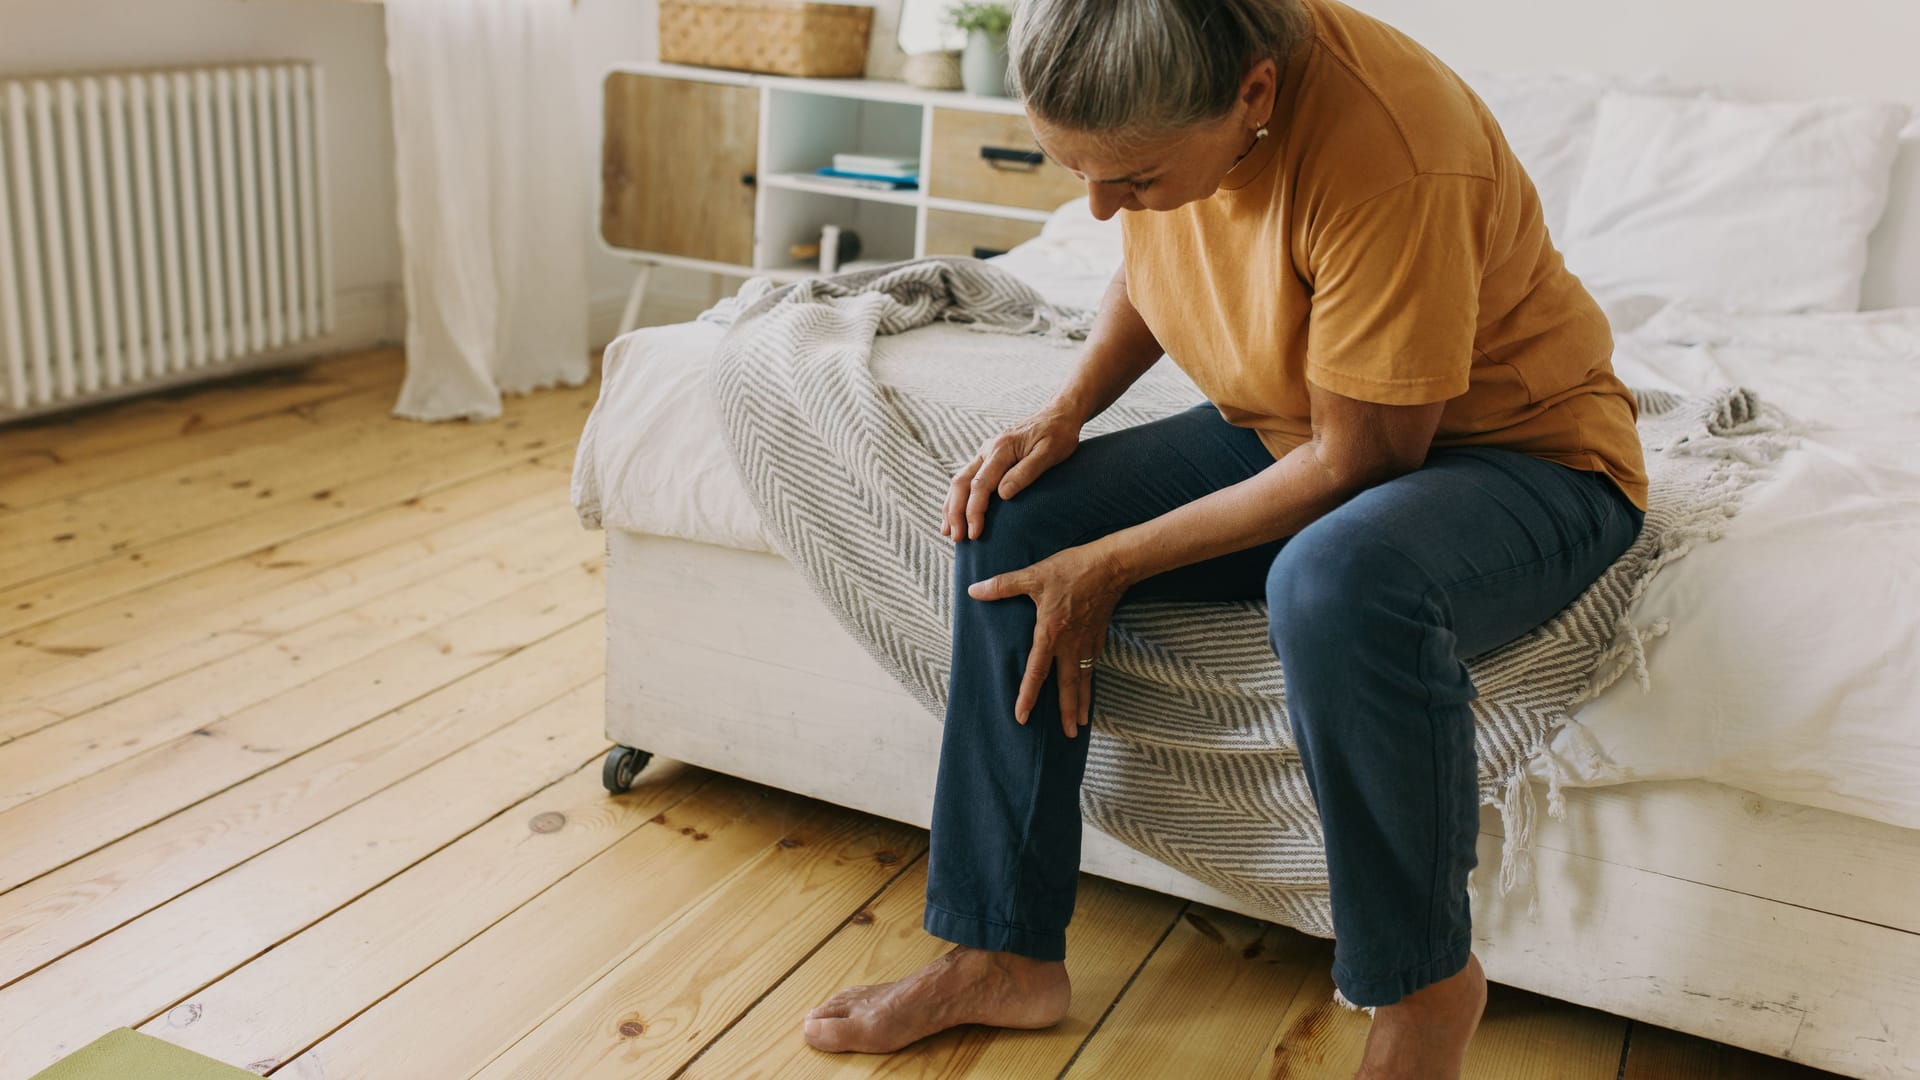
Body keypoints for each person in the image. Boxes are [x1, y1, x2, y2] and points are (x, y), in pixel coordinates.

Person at [801, 0, 1648, 1074]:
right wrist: (1067, 412)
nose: (1106, 211)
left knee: (1335, 582)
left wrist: (1113, 564)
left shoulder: (1394, 149)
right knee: (1016, 518)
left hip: (1515, 456)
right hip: (1299, 418)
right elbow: (1160, 253)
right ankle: (1001, 953)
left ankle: (1425, 989)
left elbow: (1363, 461)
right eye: (1083, 177)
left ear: (1254, 95)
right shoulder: (1171, 93)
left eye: (1136, 181)